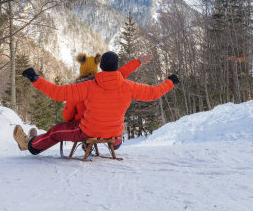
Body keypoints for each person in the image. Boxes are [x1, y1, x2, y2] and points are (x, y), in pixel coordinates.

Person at [13, 51, 179, 155]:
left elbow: (57, 93)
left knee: (56, 131)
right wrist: (170, 82)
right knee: (117, 126)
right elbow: (154, 92)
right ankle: (106, 145)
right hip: (115, 136)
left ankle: (32, 146)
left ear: (102, 68)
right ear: (116, 67)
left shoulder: (88, 86)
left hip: (88, 132)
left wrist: (35, 79)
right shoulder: (128, 86)